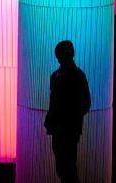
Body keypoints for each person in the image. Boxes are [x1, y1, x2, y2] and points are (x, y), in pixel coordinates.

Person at [44, 40, 92, 183]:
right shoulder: (57, 76)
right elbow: (54, 102)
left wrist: (71, 117)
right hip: (61, 128)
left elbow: (86, 103)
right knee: (63, 166)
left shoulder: (76, 76)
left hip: (68, 128)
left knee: (67, 166)